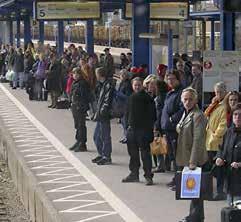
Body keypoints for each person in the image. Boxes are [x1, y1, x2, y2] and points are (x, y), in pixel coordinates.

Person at [176, 87, 208, 222]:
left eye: (190, 99)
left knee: (195, 190)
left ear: (195, 100)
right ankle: (196, 215)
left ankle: (195, 217)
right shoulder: (187, 113)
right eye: (185, 99)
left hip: (195, 158)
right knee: (193, 189)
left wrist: (193, 161)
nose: (187, 102)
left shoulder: (198, 115)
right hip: (187, 155)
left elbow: (198, 139)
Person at [122, 77, 156, 186]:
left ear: (142, 86)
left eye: (138, 85)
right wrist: (127, 127)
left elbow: (152, 115)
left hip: (143, 130)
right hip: (132, 130)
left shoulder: (147, 98)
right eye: (135, 85)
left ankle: (148, 176)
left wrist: (149, 129)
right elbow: (126, 113)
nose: (136, 87)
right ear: (132, 86)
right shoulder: (130, 97)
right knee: (133, 154)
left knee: (145, 154)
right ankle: (134, 173)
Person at [205, 81, 227, 200]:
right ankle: (213, 190)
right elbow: (206, 116)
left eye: (220, 91)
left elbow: (223, 124)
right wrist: (211, 104)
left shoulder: (224, 106)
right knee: (211, 167)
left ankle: (220, 191)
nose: (218, 94)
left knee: (218, 169)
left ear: (225, 91)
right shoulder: (215, 104)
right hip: (209, 140)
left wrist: (216, 135)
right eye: (216, 92)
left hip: (217, 141)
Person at [216, 103, 241, 206]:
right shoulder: (229, 132)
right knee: (230, 209)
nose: (238, 117)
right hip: (229, 177)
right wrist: (219, 158)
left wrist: (240, 164)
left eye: (240, 115)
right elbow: (222, 149)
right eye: (235, 114)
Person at [161, 70, 183, 184]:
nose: (170, 81)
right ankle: (176, 178)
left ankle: (179, 180)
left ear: (178, 79)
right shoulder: (170, 93)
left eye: (173, 79)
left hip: (175, 129)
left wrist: (171, 119)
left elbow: (182, 109)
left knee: (177, 156)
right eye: (168, 79)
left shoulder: (181, 93)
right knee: (172, 155)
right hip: (168, 129)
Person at [92, 67, 114, 165]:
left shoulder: (108, 85)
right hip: (100, 114)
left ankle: (107, 156)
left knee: (105, 136)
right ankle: (101, 154)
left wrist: (102, 112)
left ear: (99, 75)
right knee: (97, 136)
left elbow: (107, 100)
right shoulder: (101, 85)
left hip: (104, 115)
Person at [69, 67, 91, 152]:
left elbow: (84, 96)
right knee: (77, 125)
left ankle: (82, 143)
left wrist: (82, 106)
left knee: (81, 125)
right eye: (74, 74)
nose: (75, 75)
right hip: (75, 105)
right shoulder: (75, 82)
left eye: (76, 74)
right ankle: (78, 141)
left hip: (80, 107)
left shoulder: (82, 83)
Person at [118, 69, 133, 144]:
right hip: (122, 105)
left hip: (126, 106)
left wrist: (118, 94)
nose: (121, 77)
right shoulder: (122, 83)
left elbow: (128, 96)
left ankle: (127, 137)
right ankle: (125, 136)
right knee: (123, 122)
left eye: (122, 75)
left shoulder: (127, 84)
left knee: (125, 122)